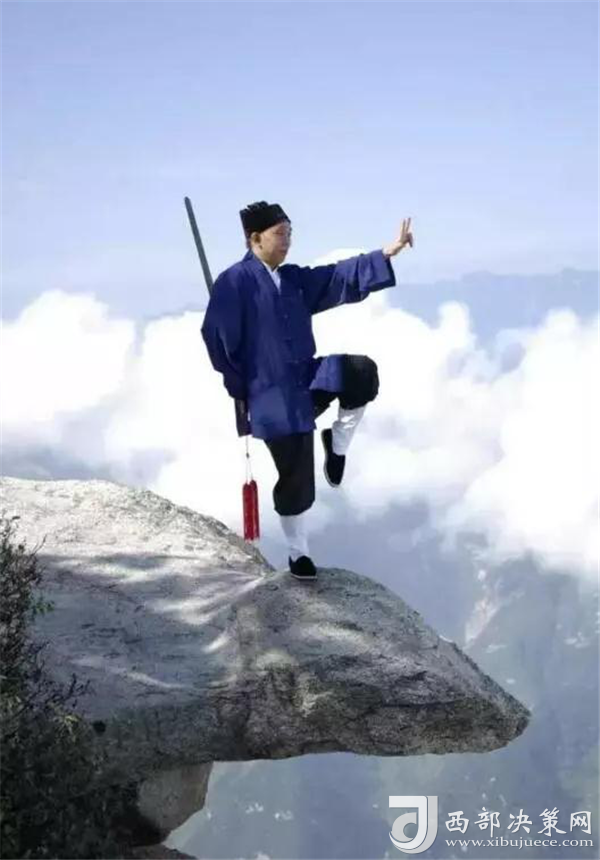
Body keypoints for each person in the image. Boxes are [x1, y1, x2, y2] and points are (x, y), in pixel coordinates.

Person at [201, 201, 413, 581]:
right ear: (255, 238)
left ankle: (337, 444)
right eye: (279, 234)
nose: (287, 241)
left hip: (306, 377)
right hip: (271, 398)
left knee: (360, 373)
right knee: (295, 475)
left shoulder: (293, 279)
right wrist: (240, 386)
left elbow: (335, 277)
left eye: (290, 233)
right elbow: (216, 341)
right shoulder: (233, 283)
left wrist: (387, 253)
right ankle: (298, 553)